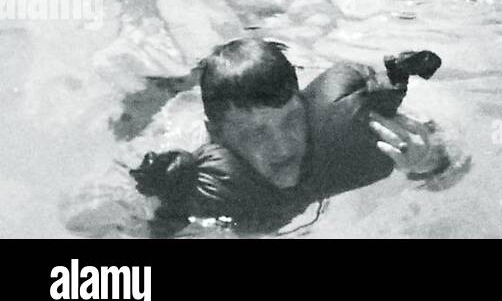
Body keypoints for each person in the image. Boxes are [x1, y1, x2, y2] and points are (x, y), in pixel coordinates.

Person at [129, 38, 449, 233]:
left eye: (291, 120)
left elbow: (456, 165)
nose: (283, 147)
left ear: (303, 104)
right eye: (256, 133)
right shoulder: (190, 182)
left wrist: (425, 162)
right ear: (217, 136)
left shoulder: (348, 121)